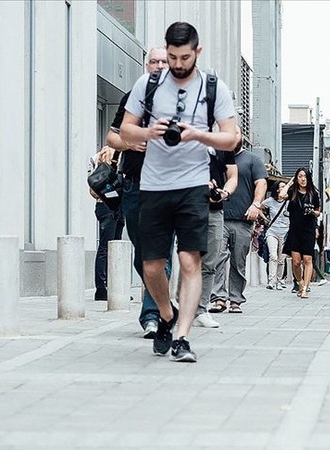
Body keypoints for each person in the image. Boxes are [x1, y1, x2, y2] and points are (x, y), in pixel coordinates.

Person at [120, 22, 239, 362]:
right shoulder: (149, 83)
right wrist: (148, 132)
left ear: (197, 52)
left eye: (184, 57)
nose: (177, 63)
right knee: (152, 266)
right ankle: (166, 315)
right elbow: (125, 130)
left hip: (192, 184)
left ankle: (183, 337)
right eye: (171, 56)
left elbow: (232, 138)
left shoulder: (214, 87)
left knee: (190, 261)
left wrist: (198, 135)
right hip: (154, 184)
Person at [105, 47, 167, 339]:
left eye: (163, 61)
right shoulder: (133, 97)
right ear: (146, 66)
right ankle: (163, 299)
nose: (158, 66)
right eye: (153, 61)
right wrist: (129, 144)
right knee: (141, 255)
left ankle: (152, 315)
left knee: (159, 254)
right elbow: (111, 136)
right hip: (133, 184)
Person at [209, 138, 268, 313]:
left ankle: (235, 299)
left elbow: (262, 183)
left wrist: (256, 204)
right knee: (217, 258)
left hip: (243, 219)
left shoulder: (252, 159)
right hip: (219, 216)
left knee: (238, 261)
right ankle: (219, 298)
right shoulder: (216, 156)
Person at [193, 142, 238, 328]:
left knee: (211, 261)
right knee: (190, 259)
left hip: (215, 209)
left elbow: (233, 176)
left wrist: (224, 192)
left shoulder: (223, 144)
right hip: (190, 206)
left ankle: (201, 310)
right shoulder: (186, 138)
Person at [88, 147, 125, 302]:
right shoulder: (106, 156)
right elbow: (93, 187)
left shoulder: (97, 156)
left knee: (114, 248)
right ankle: (102, 288)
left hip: (110, 206)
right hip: (108, 206)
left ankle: (110, 287)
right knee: (107, 247)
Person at [281, 167, 322, 298]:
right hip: (294, 230)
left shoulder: (313, 193)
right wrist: (289, 183)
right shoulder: (292, 192)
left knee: (307, 259)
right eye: (300, 176)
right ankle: (300, 282)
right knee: (296, 262)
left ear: (308, 178)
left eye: (304, 176)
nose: (302, 179)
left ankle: (305, 288)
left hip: (308, 229)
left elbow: (318, 211)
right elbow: (281, 195)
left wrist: (312, 212)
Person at [262, 181, 290, 290]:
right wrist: (265, 219)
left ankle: (279, 280)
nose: (284, 188)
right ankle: (271, 281)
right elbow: (259, 207)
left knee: (281, 258)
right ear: (277, 190)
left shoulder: (289, 202)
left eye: (285, 187)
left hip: (285, 232)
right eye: (282, 187)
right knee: (273, 256)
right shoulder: (270, 201)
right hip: (272, 231)